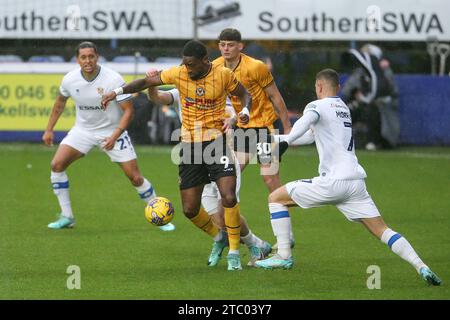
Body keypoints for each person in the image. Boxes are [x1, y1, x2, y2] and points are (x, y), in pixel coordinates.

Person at [255, 69, 442, 287]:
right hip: (355, 183)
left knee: (276, 198)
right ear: (339, 88)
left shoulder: (316, 106)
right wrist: (273, 139)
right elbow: (308, 136)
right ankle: (422, 266)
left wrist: (283, 143)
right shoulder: (343, 108)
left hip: (333, 182)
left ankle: (284, 256)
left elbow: (302, 126)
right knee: (382, 230)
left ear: (318, 87)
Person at [102, 40, 253, 271]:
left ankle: (234, 253)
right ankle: (218, 238)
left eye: (191, 65)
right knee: (190, 209)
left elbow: (244, 94)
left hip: (217, 143)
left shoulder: (222, 74)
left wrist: (242, 112)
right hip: (190, 148)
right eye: (185, 64)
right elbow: (146, 82)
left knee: (228, 197)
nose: (187, 69)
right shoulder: (179, 74)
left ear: (205, 61)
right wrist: (116, 92)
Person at [42, 41, 175, 232]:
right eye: (83, 57)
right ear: (77, 59)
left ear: (97, 57)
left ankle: (160, 215)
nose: (87, 60)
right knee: (56, 165)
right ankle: (67, 216)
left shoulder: (112, 79)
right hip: (83, 130)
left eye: (91, 56)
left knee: (135, 178)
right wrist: (49, 129)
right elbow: (59, 103)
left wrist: (115, 135)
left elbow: (128, 111)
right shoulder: (69, 80)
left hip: (113, 131)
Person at [146, 82, 272, 267]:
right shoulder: (182, 90)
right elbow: (158, 97)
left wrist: (237, 119)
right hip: (196, 160)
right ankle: (253, 243)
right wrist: (151, 84)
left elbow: (247, 102)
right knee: (217, 218)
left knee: (225, 210)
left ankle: (244, 249)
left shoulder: (221, 88)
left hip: (223, 156)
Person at [214, 28, 295, 249]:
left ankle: (286, 235)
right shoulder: (215, 66)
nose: (226, 48)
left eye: (230, 44)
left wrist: (288, 129)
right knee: (231, 174)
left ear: (241, 46)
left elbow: (275, 95)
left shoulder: (256, 66)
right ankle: (232, 232)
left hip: (266, 127)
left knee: (269, 179)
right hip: (243, 128)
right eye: (222, 44)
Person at [340, 44, 400, 150]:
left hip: (381, 108)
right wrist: (355, 95)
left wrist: (368, 98)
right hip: (362, 105)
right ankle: (339, 139)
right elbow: (347, 91)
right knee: (346, 111)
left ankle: (373, 141)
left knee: (371, 110)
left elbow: (390, 93)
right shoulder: (361, 72)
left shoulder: (385, 71)